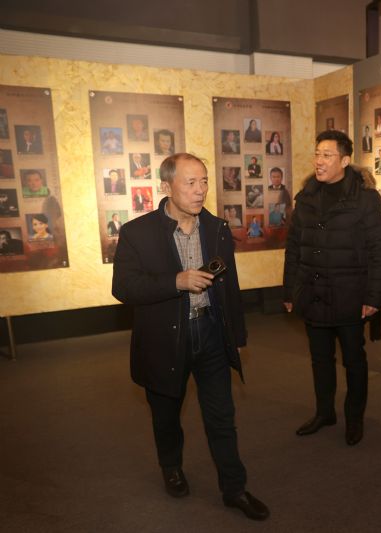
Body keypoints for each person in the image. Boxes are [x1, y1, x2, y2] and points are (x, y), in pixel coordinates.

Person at [111, 153, 268, 521]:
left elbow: (229, 285)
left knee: (222, 417)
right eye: (191, 183)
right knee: (166, 416)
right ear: (166, 186)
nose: (201, 191)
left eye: (204, 181)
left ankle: (235, 489)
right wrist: (176, 282)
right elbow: (124, 288)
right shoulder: (137, 232)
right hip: (164, 341)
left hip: (211, 333)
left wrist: (237, 334)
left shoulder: (216, 228)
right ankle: (171, 468)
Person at [283, 130, 381, 446]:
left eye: (327, 155)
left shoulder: (365, 199)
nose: (319, 161)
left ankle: (354, 418)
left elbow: (380, 251)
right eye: (317, 154)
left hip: (350, 295)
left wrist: (374, 297)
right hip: (313, 293)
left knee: (354, 361)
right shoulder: (306, 197)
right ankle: (324, 412)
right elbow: (294, 247)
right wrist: (289, 291)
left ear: (344, 161)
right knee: (320, 359)